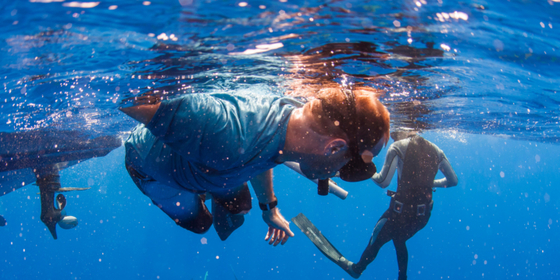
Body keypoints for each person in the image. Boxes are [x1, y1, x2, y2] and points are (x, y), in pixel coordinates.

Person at [121, 86, 390, 244]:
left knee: (239, 211)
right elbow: (127, 99)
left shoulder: (291, 125)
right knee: (201, 224)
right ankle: (205, 192)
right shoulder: (221, 131)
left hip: (222, 168)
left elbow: (268, 153)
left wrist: (269, 208)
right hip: (156, 174)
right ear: (334, 147)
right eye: (346, 168)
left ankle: (215, 186)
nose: (336, 174)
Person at [293, 131, 457, 280]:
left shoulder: (399, 147)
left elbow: (383, 182)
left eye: (394, 133)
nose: (393, 137)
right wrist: (430, 183)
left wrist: (364, 171)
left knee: (379, 235)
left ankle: (357, 269)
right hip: (422, 217)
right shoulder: (436, 150)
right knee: (400, 238)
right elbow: (453, 180)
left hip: (400, 212)